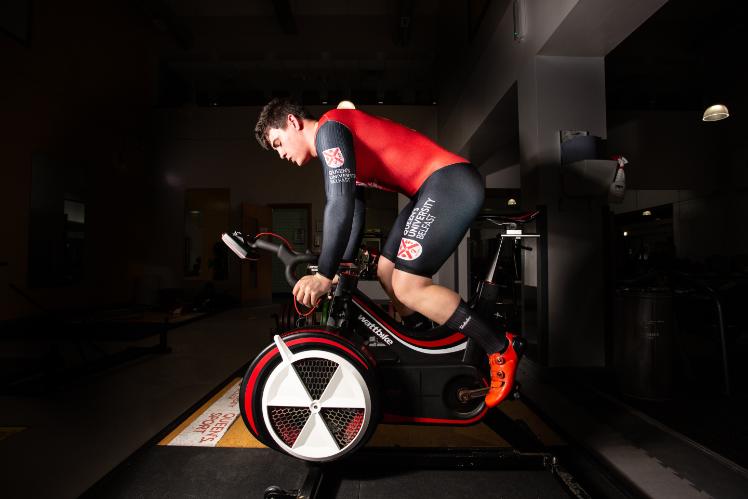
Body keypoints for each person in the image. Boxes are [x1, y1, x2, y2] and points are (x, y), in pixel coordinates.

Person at [253, 98, 522, 408]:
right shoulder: (336, 143)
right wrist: (342, 267)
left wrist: (324, 275)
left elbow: (339, 203)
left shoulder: (330, 129)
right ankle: (424, 341)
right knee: (385, 270)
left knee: (408, 286)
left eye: (278, 143)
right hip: (429, 189)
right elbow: (354, 210)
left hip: (449, 182)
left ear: (293, 122)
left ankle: (499, 346)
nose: (281, 154)